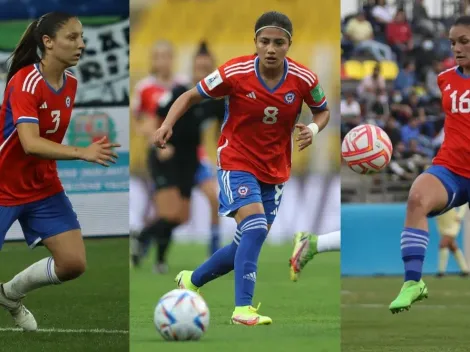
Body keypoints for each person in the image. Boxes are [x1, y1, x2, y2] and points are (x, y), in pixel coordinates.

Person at [154, 11, 330, 325]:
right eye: (265, 41)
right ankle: (242, 309)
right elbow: (190, 96)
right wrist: (167, 124)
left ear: (289, 44)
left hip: (275, 169)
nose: (271, 48)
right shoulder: (235, 71)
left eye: (279, 42)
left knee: (245, 241)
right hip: (236, 160)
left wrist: (313, 130)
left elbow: (323, 111)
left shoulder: (305, 79)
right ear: (255, 43)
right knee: (256, 227)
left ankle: (192, 280)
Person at [0, 12, 120, 331]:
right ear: (48, 43)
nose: (80, 44)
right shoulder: (25, 81)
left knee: (73, 264)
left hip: (42, 187)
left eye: (82, 37)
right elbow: (29, 143)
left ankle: (10, 295)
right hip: (3, 187)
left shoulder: (71, 84)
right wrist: (83, 152)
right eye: (72, 37)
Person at [389, 16, 470, 314]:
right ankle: (413, 283)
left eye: (464, 41)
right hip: (450, 168)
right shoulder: (445, 79)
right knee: (416, 198)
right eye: (453, 42)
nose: (457, 48)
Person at [130, 41, 222, 271]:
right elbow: (155, 118)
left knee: (181, 216)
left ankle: (143, 237)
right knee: (169, 212)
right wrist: (159, 143)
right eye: (199, 67)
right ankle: (158, 259)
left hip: (191, 160)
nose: (203, 72)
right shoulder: (180, 92)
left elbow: (220, 129)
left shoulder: (216, 100)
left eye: (207, 68)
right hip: (166, 157)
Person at [435, 205, 469, 277]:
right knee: (453, 247)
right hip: (442, 223)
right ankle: (465, 270)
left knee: (443, 244)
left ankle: (441, 272)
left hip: (453, 222)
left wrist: (460, 215)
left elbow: (463, 203)